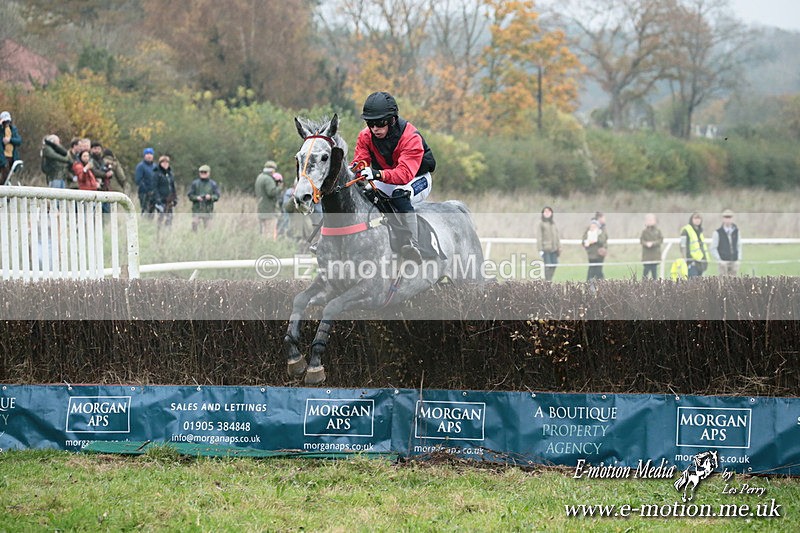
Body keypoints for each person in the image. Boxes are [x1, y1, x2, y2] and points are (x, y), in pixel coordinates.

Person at [351, 91, 436, 263]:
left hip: (417, 178)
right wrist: (355, 170)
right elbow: (360, 162)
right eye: (370, 123)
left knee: (400, 194)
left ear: (392, 119)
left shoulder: (410, 137)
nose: (375, 129)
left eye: (380, 123)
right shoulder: (365, 136)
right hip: (389, 176)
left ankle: (414, 244)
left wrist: (377, 174)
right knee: (366, 194)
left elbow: (404, 175)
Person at [254, 160, 283, 237]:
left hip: (261, 210)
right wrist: (279, 187)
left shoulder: (260, 177)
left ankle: (263, 247)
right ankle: (269, 248)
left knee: (263, 232)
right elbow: (271, 192)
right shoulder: (268, 179)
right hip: (269, 211)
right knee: (270, 233)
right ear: (272, 170)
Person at [187, 164, 220, 231]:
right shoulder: (195, 183)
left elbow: (217, 196)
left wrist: (210, 197)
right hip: (197, 209)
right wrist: (197, 198)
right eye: (201, 172)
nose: (203, 174)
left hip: (208, 210)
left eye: (205, 172)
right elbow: (190, 195)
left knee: (208, 229)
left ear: (209, 173)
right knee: (194, 225)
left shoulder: (213, 184)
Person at [710, 209, 742, 276]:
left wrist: (738, 259)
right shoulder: (717, 233)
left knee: (734, 283)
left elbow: (739, 246)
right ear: (723, 218)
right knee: (723, 283)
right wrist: (719, 260)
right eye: (726, 217)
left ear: (732, 218)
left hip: (734, 261)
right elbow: (713, 248)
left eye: (729, 217)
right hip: (723, 263)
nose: (728, 219)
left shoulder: (736, 231)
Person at [680, 212, 709, 278]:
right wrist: (687, 259)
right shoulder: (686, 230)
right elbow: (683, 246)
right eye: (695, 218)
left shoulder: (699, 231)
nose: (697, 220)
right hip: (691, 262)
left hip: (700, 262)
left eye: (699, 218)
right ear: (691, 219)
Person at [153, 155, 177, 227]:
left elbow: (173, 187)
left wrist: (175, 198)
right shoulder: (157, 174)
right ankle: (159, 232)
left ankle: (167, 232)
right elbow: (155, 188)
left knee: (170, 217)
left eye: (167, 162)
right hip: (161, 200)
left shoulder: (170, 174)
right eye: (163, 162)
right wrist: (158, 199)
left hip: (169, 200)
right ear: (160, 163)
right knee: (161, 217)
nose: (165, 164)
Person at [582, 212, 608, 281]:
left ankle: (601, 287)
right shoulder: (589, 230)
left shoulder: (601, 229)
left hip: (599, 254)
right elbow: (584, 240)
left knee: (598, 271)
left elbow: (603, 240)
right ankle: (590, 287)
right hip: (591, 254)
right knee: (592, 272)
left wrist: (595, 239)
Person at [538, 206, 561, 281]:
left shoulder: (553, 223)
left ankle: (549, 280)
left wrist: (559, 246)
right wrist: (540, 249)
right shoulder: (541, 223)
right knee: (548, 266)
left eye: (549, 211)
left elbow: (557, 235)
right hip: (546, 248)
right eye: (545, 211)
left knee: (554, 264)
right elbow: (539, 237)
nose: (547, 213)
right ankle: (547, 281)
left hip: (554, 248)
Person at [1, 111, 23, 185]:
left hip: (12, 157)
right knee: (4, 177)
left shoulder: (13, 130)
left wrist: (10, 140)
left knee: (9, 177)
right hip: (3, 157)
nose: (7, 123)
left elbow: (19, 141)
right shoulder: (1, 131)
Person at [639, 213, 663, 279]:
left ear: (655, 221)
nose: (649, 221)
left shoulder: (658, 231)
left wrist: (653, 243)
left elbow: (660, 240)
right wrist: (646, 243)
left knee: (654, 273)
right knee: (645, 272)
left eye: (651, 220)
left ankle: (655, 286)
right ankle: (643, 286)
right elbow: (641, 240)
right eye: (648, 220)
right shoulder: (644, 231)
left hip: (655, 255)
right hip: (646, 256)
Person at [135, 147, 157, 216]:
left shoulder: (155, 166)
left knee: (152, 212)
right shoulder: (140, 166)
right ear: (144, 155)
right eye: (147, 154)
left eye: (150, 154)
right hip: (144, 193)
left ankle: (149, 225)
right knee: (145, 211)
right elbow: (138, 180)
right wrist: (147, 190)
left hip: (154, 193)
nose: (149, 156)